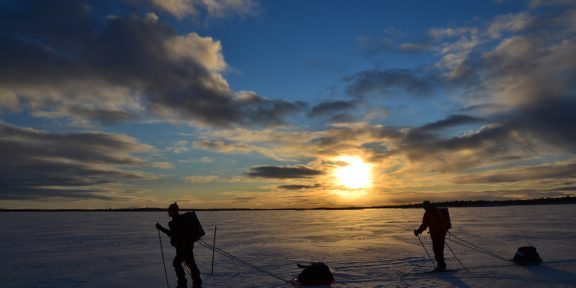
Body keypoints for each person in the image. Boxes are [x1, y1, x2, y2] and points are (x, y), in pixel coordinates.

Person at [156, 203, 203, 288]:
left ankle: (184, 284)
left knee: (178, 262)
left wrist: (161, 228)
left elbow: (173, 233)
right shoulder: (177, 220)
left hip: (184, 247)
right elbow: (173, 233)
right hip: (185, 246)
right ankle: (196, 283)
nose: (168, 212)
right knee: (190, 264)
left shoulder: (178, 221)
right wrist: (161, 228)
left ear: (173, 211)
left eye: (169, 210)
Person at [413, 200, 450, 272]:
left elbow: (443, 222)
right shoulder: (427, 214)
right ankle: (441, 266)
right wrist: (418, 231)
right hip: (434, 236)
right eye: (424, 207)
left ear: (428, 205)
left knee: (439, 251)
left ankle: (441, 266)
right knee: (436, 251)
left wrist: (442, 230)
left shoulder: (436, 212)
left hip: (440, 235)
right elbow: (424, 225)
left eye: (425, 206)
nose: (424, 208)